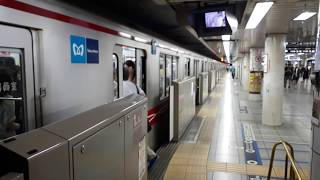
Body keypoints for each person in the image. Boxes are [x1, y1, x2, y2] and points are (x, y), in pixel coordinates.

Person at [122, 60, 158, 169]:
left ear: (130, 69)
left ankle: (148, 158)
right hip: (137, 118)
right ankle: (150, 156)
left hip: (130, 120)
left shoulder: (123, 85)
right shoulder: (135, 86)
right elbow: (144, 97)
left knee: (135, 142)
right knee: (138, 141)